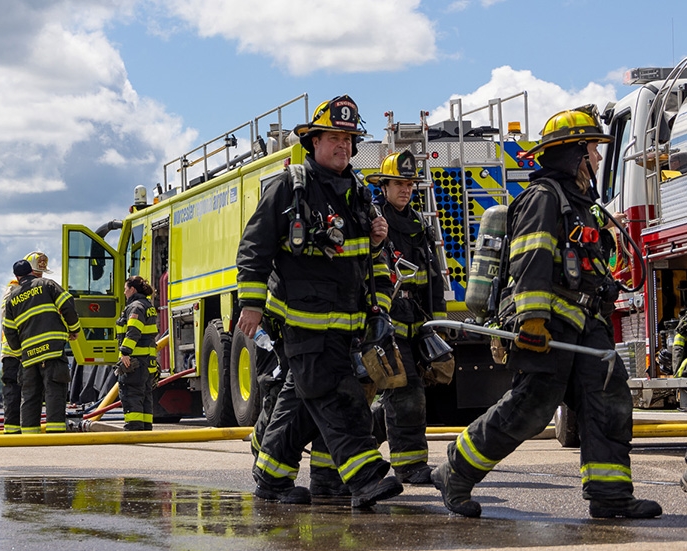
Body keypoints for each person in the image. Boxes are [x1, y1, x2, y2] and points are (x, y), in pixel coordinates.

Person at [433, 106, 662, 519]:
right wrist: (531, 319)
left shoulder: (582, 205)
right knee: (532, 407)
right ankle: (455, 469)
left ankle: (610, 496)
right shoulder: (543, 198)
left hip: (586, 325)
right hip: (550, 325)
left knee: (607, 402)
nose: (596, 158)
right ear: (572, 153)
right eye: (591, 149)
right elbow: (530, 259)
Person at [236, 95, 403, 507]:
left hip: (346, 324)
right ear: (313, 142)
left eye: (348, 140)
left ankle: (272, 478)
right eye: (333, 138)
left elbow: (367, 260)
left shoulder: (359, 192)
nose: (343, 146)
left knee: (302, 400)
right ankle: (365, 477)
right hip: (303, 320)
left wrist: (378, 244)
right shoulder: (291, 186)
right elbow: (254, 247)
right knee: (335, 396)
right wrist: (251, 304)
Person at [364, 151, 450, 485]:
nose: (406, 190)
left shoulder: (417, 225)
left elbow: (432, 279)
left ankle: (361, 436)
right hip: (387, 324)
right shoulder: (376, 223)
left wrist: (438, 325)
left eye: (410, 184)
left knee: (400, 394)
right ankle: (411, 466)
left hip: (417, 324)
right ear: (383, 186)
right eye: (399, 183)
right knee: (406, 390)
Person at [3, 257, 81, 434]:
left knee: (30, 395)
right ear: (32, 271)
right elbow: (67, 304)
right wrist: (74, 329)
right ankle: (55, 433)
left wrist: (18, 352)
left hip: (29, 356)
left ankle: (30, 436)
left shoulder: (11, 298)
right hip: (52, 350)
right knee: (55, 390)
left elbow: (9, 330)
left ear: (17, 276)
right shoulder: (47, 285)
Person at [116, 276, 158, 431]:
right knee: (145, 396)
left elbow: (133, 331)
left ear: (132, 289)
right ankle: (145, 428)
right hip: (147, 362)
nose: (124, 292)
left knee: (131, 394)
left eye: (126, 288)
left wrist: (125, 353)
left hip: (135, 362)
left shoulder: (135, 307)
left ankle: (133, 429)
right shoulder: (147, 305)